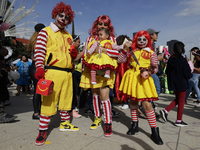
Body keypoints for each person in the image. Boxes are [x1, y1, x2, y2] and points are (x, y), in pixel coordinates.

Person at [34, 2, 78, 146]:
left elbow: (71, 55)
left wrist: (73, 54)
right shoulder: (45, 31)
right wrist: (39, 67)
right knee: (48, 101)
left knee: (66, 99)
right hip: (52, 72)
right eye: (61, 15)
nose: (63, 19)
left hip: (67, 74)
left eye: (66, 18)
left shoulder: (68, 35)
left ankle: (65, 123)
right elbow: (40, 51)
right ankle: (42, 130)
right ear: (55, 14)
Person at [80, 15, 125, 136]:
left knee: (105, 96)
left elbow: (116, 53)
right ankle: (97, 118)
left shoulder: (112, 39)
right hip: (92, 69)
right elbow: (85, 54)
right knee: (94, 95)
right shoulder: (90, 39)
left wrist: (104, 51)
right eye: (101, 24)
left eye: (105, 25)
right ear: (96, 25)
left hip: (106, 69)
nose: (102, 26)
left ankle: (108, 123)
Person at [118, 30, 163, 145]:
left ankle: (154, 131)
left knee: (147, 104)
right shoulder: (132, 51)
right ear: (136, 40)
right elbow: (120, 60)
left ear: (148, 40)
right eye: (139, 39)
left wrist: (151, 70)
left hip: (144, 79)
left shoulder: (151, 53)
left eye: (144, 39)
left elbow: (156, 68)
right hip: (132, 77)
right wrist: (124, 49)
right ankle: (134, 124)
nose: (141, 41)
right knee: (133, 102)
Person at [160, 41, 193, 127]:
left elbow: (167, 71)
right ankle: (179, 120)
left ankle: (166, 111)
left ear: (173, 49)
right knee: (181, 101)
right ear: (182, 50)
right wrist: (189, 76)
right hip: (182, 83)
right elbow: (187, 73)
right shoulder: (183, 60)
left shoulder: (170, 60)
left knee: (178, 99)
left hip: (173, 84)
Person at [27, 23, 45, 120]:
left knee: (38, 90)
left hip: (33, 66)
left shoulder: (32, 40)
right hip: (38, 66)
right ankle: (36, 113)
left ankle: (38, 111)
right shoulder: (40, 40)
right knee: (39, 91)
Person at [115, 35, 132, 110]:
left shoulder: (128, 51)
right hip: (123, 68)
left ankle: (126, 102)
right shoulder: (126, 51)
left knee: (124, 85)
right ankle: (125, 102)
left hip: (124, 69)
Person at [70, 34, 82, 118]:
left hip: (73, 71)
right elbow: (74, 59)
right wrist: (81, 53)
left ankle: (72, 108)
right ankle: (72, 109)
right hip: (71, 72)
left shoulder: (74, 49)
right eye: (78, 42)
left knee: (75, 90)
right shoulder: (72, 49)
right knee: (73, 91)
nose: (79, 44)